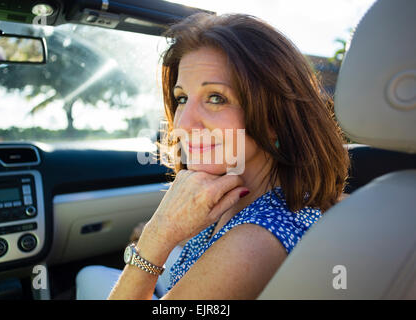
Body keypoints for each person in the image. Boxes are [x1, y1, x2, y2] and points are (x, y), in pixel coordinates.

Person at [76, 12, 349, 300]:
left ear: (274, 119)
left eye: (216, 98)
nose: (183, 124)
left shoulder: (251, 244)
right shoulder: (259, 201)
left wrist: (156, 238)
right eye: (182, 98)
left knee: (88, 276)